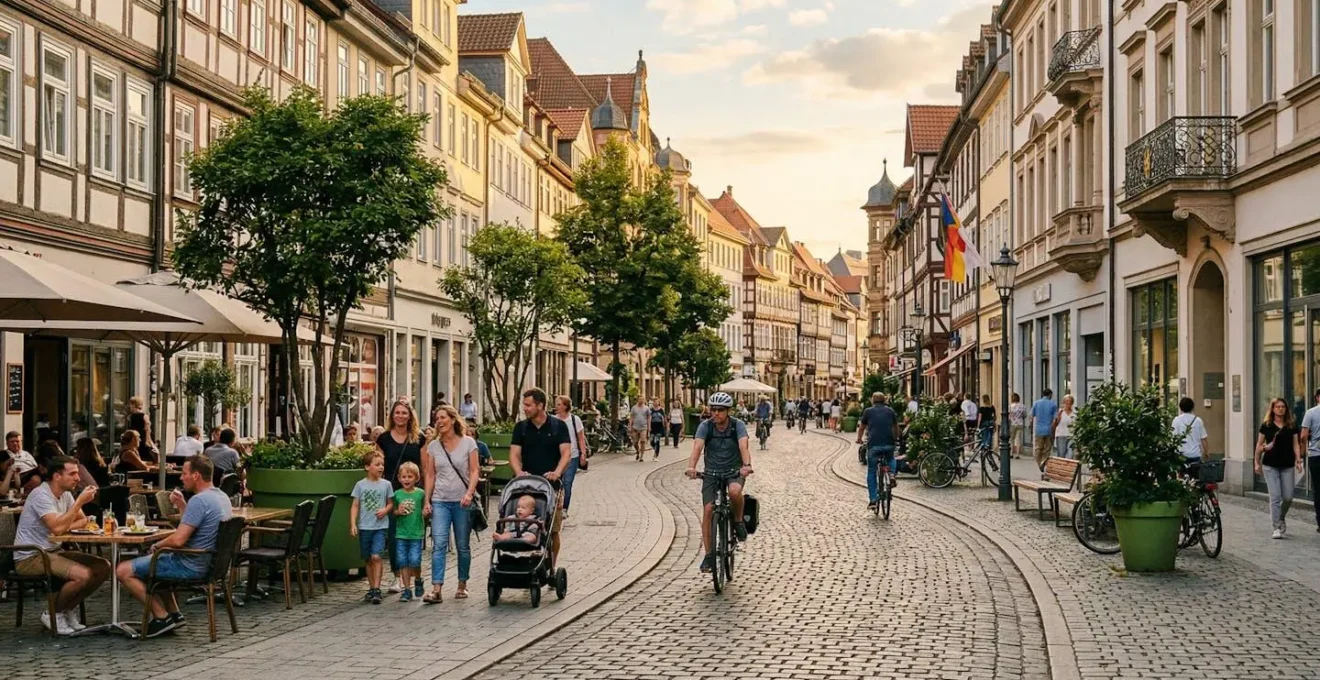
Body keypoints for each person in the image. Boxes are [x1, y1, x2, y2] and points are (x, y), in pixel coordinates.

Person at [117, 453, 230, 637]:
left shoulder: (200, 500)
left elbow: (178, 540)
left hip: (192, 564)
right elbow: (194, 527)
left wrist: (158, 545)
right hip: (211, 563)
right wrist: (182, 506)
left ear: (196, 475)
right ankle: (175, 614)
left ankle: (161, 618)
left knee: (123, 570)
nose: (181, 477)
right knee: (160, 561)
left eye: (184, 473)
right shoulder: (221, 496)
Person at [13, 455, 109, 634]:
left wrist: (64, 523)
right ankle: (53, 614)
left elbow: (82, 520)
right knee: (83, 575)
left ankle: (66, 609)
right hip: (30, 555)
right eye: (72, 474)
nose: (78, 478)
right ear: (57, 476)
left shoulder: (64, 494)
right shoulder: (41, 495)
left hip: (53, 550)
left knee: (102, 567)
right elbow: (57, 529)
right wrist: (80, 501)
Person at [685, 392, 753, 574]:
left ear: (728, 411)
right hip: (711, 473)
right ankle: (708, 556)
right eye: (713, 409)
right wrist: (691, 467)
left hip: (734, 471)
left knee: (734, 491)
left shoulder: (737, 425)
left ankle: (738, 521)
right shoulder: (705, 426)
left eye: (720, 410)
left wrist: (746, 465)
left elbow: (743, 446)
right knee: (708, 510)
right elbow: (697, 447)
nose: (716, 413)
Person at [421, 404, 479, 603]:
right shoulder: (434, 446)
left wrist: (469, 493)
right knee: (439, 544)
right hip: (440, 500)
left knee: (463, 545)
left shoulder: (468, 443)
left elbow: (474, 471)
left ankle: (462, 584)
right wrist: (427, 500)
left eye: (443, 417)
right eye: (437, 418)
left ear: (453, 420)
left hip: (462, 501)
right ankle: (436, 588)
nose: (439, 421)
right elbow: (430, 474)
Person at [510, 388, 571, 564]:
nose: (525, 409)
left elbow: (566, 453)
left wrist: (557, 472)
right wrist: (519, 473)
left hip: (552, 485)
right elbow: (514, 454)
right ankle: (533, 556)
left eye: (528, 405)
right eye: (524, 405)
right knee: (529, 522)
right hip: (529, 485)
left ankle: (552, 563)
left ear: (540, 405)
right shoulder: (521, 428)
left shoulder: (558, 426)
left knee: (554, 529)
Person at [375, 400, 423, 595]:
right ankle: (398, 577)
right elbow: (378, 466)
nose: (400, 416)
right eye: (397, 413)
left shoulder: (418, 438)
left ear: (410, 416)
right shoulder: (384, 439)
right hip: (392, 493)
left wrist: (426, 496)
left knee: (413, 537)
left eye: (404, 413)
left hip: (414, 494)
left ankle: (413, 577)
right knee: (395, 537)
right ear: (392, 416)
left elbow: (426, 467)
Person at [1256, 397, 1303, 539]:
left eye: (1283, 406)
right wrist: (1256, 462)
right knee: (1275, 496)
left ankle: (1281, 516)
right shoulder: (1267, 425)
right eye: (1278, 407)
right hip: (1270, 465)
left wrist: (1298, 459)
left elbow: (1296, 444)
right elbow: (1259, 445)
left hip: (1287, 465)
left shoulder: (1291, 425)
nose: (1281, 409)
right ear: (1273, 409)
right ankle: (1276, 527)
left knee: (1288, 497)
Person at [350, 449, 394, 605]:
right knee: (368, 558)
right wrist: (353, 524)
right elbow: (355, 505)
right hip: (364, 526)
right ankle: (371, 588)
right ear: (368, 467)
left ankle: (377, 588)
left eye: (382, 464)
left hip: (380, 526)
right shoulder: (360, 485)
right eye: (377, 465)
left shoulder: (386, 485)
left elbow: (391, 503)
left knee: (376, 556)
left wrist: (385, 510)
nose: (381, 467)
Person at [857, 392, 901, 511]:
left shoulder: (868, 411)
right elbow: (895, 426)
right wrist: (896, 437)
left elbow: (862, 427)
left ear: (873, 400)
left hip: (874, 445)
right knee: (891, 458)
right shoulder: (890, 411)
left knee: (871, 471)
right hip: (888, 443)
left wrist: (859, 439)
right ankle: (891, 474)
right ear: (884, 400)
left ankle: (873, 500)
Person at [391, 462, 426, 603]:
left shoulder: (420, 494)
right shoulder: (397, 494)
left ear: (416, 478)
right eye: (404, 477)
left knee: (415, 560)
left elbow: (425, 509)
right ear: (399, 478)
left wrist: (426, 512)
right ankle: (407, 589)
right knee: (402, 561)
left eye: (409, 477)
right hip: (401, 533)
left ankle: (418, 579)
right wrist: (397, 512)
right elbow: (392, 511)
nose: (406, 479)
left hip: (416, 533)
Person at [552, 396, 589, 518]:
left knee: (567, 483)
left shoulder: (574, 419)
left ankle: (564, 509)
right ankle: (554, 507)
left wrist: (583, 454)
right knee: (556, 482)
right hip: (556, 455)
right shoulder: (552, 420)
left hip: (572, 456)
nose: (556, 406)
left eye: (558, 404)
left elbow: (580, 437)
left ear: (565, 406)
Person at [1299, 389, 1320, 531]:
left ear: (1317, 397)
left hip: (1316, 455)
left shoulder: (1311, 412)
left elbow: (1303, 436)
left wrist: (1302, 454)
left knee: (1318, 490)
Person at [1173, 397, 1210, 473]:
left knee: (1182, 477)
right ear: (1192, 407)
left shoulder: (1176, 420)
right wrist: (1206, 452)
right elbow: (1203, 439)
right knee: (1195, 478)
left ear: (1180, 408)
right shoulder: (1198, 421)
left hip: (1181, 455)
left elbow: (1173, 437)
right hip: (1195, 455)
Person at [1031, 389, 1058, 473]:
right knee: (1047, 448)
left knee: (1038, 448)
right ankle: (1044, 462)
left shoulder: (1036, 403)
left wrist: (1031, 426)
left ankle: (1039, 463)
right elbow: (1056, 418)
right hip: (1048, 429)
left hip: (1039, 429)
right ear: (1050, 395)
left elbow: (1031, 415)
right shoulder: (1053, 404)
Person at [126, 395, 158, 465]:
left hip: (139, 439)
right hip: (139, 438)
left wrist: (147, 440)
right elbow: (147, 428)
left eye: (131, 404)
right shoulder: (140, 416)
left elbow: (147, 429)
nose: (129, 406)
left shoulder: (132, 417)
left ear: (134, 405)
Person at [1052, 395, 1076, 459]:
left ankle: (1068, 468)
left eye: (1070, 401)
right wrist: (1057, 418)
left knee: (1070, 454)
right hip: (1061, 435)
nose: (1068, 402)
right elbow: (1054, 424)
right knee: (1061, 455)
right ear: (1064, 402)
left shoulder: (1074, 413)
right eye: (1067, 401)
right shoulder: (1060, 412)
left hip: (1071, 436)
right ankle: (1061, 468)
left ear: (1072, 403)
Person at [1008, 393, 1026, 459]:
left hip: (1013, 424)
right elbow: (1024, 415)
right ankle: (1018, 454)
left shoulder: (1010, 406)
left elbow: (1009, 415)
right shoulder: (1022, 406)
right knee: (1018, 439)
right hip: (1020, 423)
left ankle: (1011, 453)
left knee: (1011, 439)